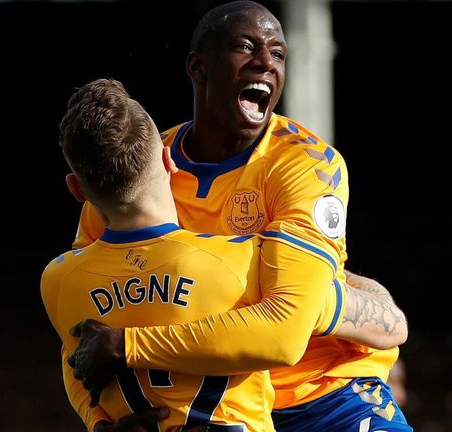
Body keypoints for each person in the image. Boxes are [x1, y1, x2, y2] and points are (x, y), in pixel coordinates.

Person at [70, 2, 411, 431]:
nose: (266, 62)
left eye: (278, 53)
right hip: (210, 406)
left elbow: (284, 333)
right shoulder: (140, 164)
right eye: (246, 47)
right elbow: (83, 326)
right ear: (198, 67)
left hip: (324, 394)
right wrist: (99, 421)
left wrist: (129, 344)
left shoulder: (306, 165)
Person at [42, 78, 277, 431]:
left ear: (76, 189)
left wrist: (97, 423)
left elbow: (74, 367)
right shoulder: (242, 261)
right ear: (170, 160)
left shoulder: (59, 281)